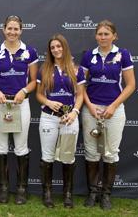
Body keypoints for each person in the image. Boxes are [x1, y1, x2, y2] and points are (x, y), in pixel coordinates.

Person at [80, 20, 136, 210]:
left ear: (114, 36)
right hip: (91, 109)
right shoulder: (88, 56)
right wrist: (89, 105)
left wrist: (113, 106)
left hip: (114, 110)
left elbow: (130, 85)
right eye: (100, 34)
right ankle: (93, 193)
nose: (103, 37)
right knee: (91, 152)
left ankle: (106, 195)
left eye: (106, 34)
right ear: (96, 36)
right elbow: (81, 86)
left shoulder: (123, 55)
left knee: (110, 153)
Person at [0, 15, 38, 204]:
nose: (12, 32)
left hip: (20, 104)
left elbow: (34, 81)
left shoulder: (29, 52)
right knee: (1, 146)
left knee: (20, 146)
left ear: (21, 31)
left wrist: (24, 91)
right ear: (3, 29)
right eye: (9, 28)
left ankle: (22, 189)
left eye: (16, 29)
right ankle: (3, 188)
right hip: (0, 103)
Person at [36, 34, 85, 208]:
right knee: (47, 156)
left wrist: (75, 112)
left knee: (68, 157)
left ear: (64, 47)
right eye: (53, 47)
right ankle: (47, 193)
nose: (56, 50)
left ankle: (67, 194)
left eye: (59, 46)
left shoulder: (76, 69)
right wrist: (48, 102)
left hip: (69, 118)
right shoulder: (44, 69)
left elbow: (80, 95)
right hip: (49, 118)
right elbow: (39, 95)